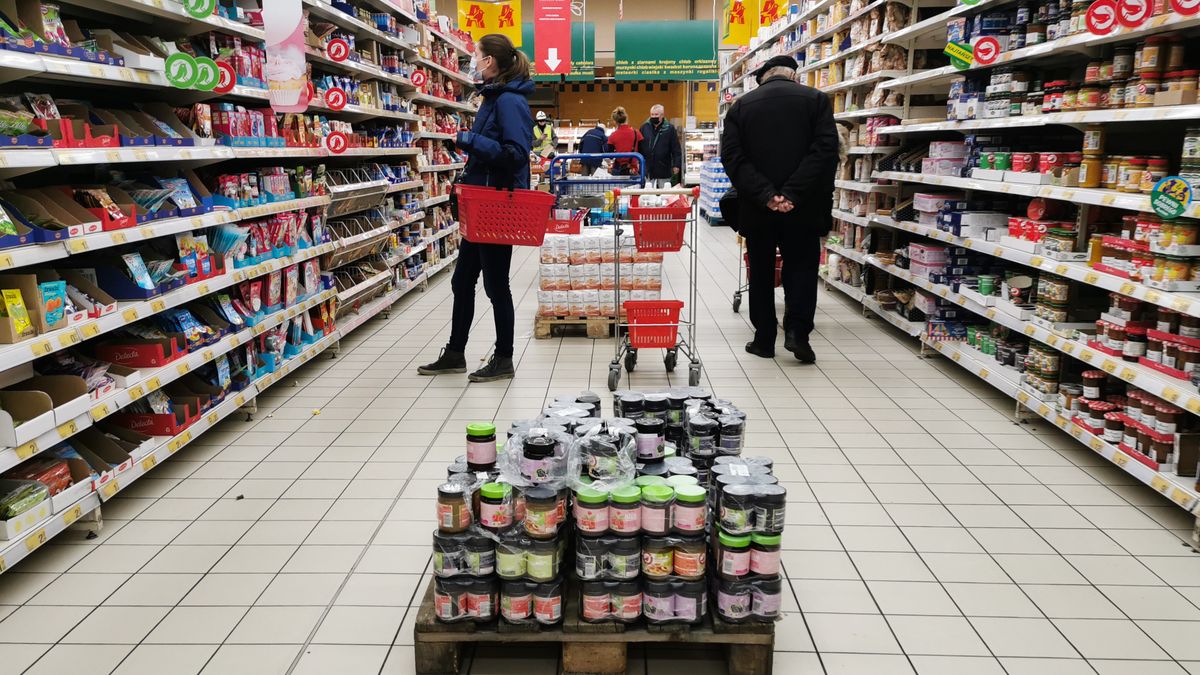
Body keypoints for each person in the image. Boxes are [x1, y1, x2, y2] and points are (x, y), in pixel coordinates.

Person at [418, 34, 533, 382]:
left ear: (491, 61)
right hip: (479, 202)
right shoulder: (492, 97)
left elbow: (516, 154)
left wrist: (469, 140)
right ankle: (455, 352)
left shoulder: (509, 101)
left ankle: (504, 357)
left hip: (496, 203)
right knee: (462, 279)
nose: (473, 61)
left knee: (497, 284)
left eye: (477, 55)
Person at [720, 54, 838, 364]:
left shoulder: (741, 107)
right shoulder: (817, 100)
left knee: (760, 271)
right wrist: (792, 194)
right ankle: (798, 333)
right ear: (794, 76)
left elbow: (733, 158)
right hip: (804, 207)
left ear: (763, 78)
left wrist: (767, 195)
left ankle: (764, 340)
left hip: (758, 208)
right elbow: (825, 151)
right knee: (801, 269)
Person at [638, 105, 682, 188]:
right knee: (648, 194)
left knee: (664, 194)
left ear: (662, 115)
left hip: (664, 168)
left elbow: (676, 148)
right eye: (652, 114)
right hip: (648, 169)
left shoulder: (669, 129)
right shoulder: (644, 127)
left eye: (656, 115)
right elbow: (639, 146)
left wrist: (676, 164)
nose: (654, 116)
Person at [605, 106, 642, 176]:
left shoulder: (613, 136)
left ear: (615, 121)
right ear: (626, 118)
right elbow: (642, 150)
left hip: (619, 170)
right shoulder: (636, 133)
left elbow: (610, 155)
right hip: (633, 169)